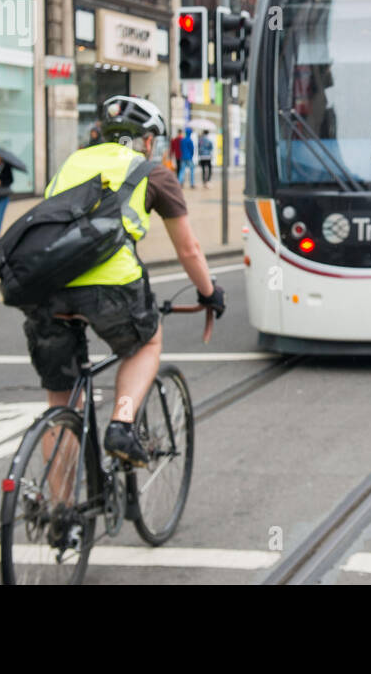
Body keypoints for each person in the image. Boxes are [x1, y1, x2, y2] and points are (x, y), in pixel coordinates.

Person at [19, 96, 224, 467]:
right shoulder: (153, 173)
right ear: (147, 140)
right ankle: (122, 424)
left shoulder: (72, 163)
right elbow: (189, 250)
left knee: (61, 408)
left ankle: (59, 517)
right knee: (146, 342)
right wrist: (209, 293)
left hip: (47, 287)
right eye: (154, 141)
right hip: (110, 287)